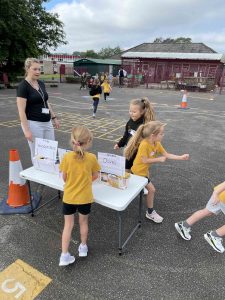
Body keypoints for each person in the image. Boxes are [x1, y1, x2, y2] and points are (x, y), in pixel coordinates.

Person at [124, 121, 189, 223]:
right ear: (152, 135)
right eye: (161, 134)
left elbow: (166, 154)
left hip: (144, 170)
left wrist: (181, 157)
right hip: (138, 172)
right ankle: (150, 213)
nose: (163, 135)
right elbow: (144, 160)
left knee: (143, 187)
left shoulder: (157, 143)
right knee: (152, 190)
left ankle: (140, 190)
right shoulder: (144, 145)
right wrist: (158, 159)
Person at [59, 126, 101, 266]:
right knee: (83, 222)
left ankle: (64, 255)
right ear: (88, 142)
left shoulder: (66, 157)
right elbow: (96, 175)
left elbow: (64, 177)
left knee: (68, 225)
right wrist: (86, 181)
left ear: (73, 141)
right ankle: (83, 247)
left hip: (69, 197)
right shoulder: (92, 158)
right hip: (85, 197)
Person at [17, 57, 60, 164]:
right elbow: (21, 111)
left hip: (47, 121)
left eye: (39, 69)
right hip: (33, 124)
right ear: (27, 69)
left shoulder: (40, 83)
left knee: (51, 148)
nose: (38, 72)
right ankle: (39, 172)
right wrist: (27, 130)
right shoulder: (23, 86)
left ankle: (49, 170)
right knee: (38, 152)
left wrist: (54, 117)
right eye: (34, 69)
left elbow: (45, 101)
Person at [175, 181, 225, 253]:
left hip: (220, 194)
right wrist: (216, 193)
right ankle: (215, 236)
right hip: (221, 196)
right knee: (208, 211)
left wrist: (216, 193)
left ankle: (184, 225)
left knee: (207, 211)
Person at [114, 98, 155, 170]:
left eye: (134, 112)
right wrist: (119, 144)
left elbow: (150, 140)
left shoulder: (144, 124)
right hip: (130, 151)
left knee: (138, 171)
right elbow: (126, 135)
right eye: (130, 111)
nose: (131, 113)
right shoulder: (130, 122)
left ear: (141, 112)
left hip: (139, 153)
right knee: (126, 169)